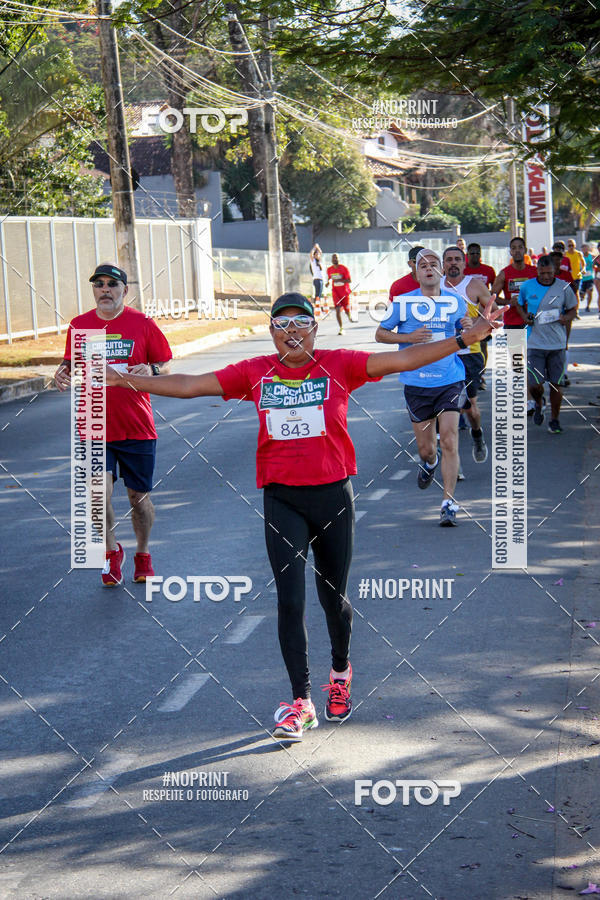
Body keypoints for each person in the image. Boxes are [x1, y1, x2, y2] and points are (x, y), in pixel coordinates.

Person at [104, 291, 499, 739]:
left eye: (301, 323)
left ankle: (340, 673)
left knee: (333, 599)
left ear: (316, 328)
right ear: (271, 332)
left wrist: (464, 340)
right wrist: (125, 381)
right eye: (281, 324)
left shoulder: (340, 364)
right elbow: (191, 385)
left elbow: (404, 361)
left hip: (332, 496)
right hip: (282, 498)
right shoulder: (254, 371)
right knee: (290, 601)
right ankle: (301, 701)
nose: (292, 331)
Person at [54, 263, 173, 587]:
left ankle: (143, 553)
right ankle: (111, 552)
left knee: (138, 498)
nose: (105, 290)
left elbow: (163, 361)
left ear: (125, 290)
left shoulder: (142, 324)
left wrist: (152, 369)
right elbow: (70, 362)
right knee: (97, 492)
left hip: (135, 425)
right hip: (93, 422)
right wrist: (62, 372)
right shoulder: (81, 325)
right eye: (99, 285)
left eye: (111, 284)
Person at [375, 250, 476, 527]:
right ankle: (430, 464)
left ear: (441, 271)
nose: (429, 268)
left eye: (434, 264)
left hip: (450, 380)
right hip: (417, 383)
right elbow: (380, 334)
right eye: (423, 265)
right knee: (426, 449)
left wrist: (467, 326)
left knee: (450, 440)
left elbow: (464, 337)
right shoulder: (403, 303)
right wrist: (408, 337)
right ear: (416, 273)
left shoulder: (455, 302)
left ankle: (448, 503)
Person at [442, 246, 494, 463]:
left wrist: (475, 323)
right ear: (443, 264)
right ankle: (449, 457)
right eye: (449, 260)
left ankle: (477, 434)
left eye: (457, 259)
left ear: (464, 263)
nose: (453, 263)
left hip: (468, 354)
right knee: (446, 406)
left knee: (469, 407)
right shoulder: (433, 287)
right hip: (442, 353)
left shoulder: (474, 285)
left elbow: (492, 316)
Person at [514, 255, 577, 433]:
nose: (546, 277)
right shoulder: (527, 286)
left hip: (556, 344)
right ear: (537, 271)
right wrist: (525, 317)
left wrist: (566, 317)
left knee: (556, 385)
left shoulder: (563, 287)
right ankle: (539, 403)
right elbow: (519, 304)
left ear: (554, 271)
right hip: (534, 342)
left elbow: (573, 309)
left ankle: (555, 420)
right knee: (534, 385)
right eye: (543, 273)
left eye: (549, 273)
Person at [492, 236, 537, 329]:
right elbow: (493, 297)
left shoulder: (535, 272)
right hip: (512, 323)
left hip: (534, 321)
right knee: (513, 344)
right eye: (513, 248)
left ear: (525, 250)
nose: (517, 250)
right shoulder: (504, 274)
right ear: (510, 252)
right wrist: (508, 302)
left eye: (520, 247)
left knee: (533, 344)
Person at [326, 253, 352, 335]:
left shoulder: (344, 268)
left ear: (338, 259)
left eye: (336, 258)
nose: (335, 259)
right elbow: (329, 278)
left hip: (344, 292)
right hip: (335, 292)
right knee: (337, 310)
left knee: (346, 310)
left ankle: (349, 315)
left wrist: (340, 281)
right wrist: (327, 283)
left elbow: (349, 280)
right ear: (331, 260)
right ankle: (341, 328)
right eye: (333, 258)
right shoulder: (329, 269)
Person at [565, 238, 586, 308]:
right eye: (569, 245)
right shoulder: (565, 254)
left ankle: (576, 311)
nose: (571, 247)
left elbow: (583, 263)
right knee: (569, 294)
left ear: (575, 245)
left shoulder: (579, 254)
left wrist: (583, 269)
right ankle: (571, 309)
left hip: (577, 276)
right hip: (567, 277)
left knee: (575, 293)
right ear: (567, 246)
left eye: (572, 245)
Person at [580, 243, 595, 311]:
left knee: (589, 291)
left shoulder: (591, 256)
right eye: (584, 249)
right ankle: (582, 295)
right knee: (582, 294)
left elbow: (595, 263)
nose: (585, 250)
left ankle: (588, 306)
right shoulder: (580, 256)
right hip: (582, 279)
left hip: (590, 277)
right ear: (582, 249)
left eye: (586, 248)